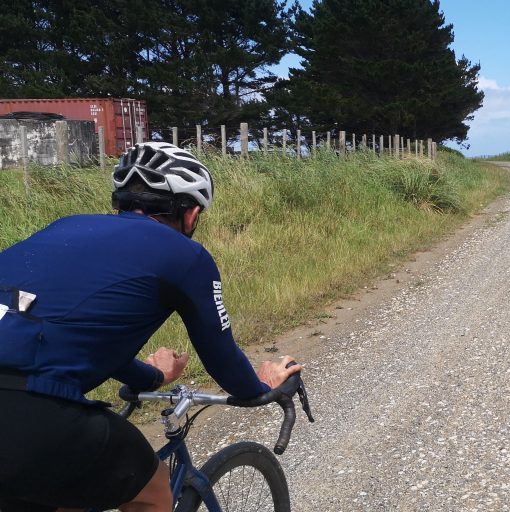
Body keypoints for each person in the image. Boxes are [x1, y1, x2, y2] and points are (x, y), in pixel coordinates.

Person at [0, 141, 302, 511]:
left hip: (21, 403)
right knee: (153, 488)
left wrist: (152, 377)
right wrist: (262, 386)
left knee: (69, 488)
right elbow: (222, 357)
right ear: (191, 214)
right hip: (28, 408)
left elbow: (79, 333)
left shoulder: (63, 228)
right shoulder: (187, 256)